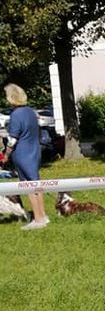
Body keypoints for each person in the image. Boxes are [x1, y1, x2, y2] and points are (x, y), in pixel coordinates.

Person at [3, 83, 49, 230]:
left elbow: (12, 139)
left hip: (22, 154)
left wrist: (6, 155)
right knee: (36, 183)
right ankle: (43, 215)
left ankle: (38, 218)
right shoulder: (31, 112)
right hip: (35, 151)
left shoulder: (16, 115)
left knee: (27, 186)